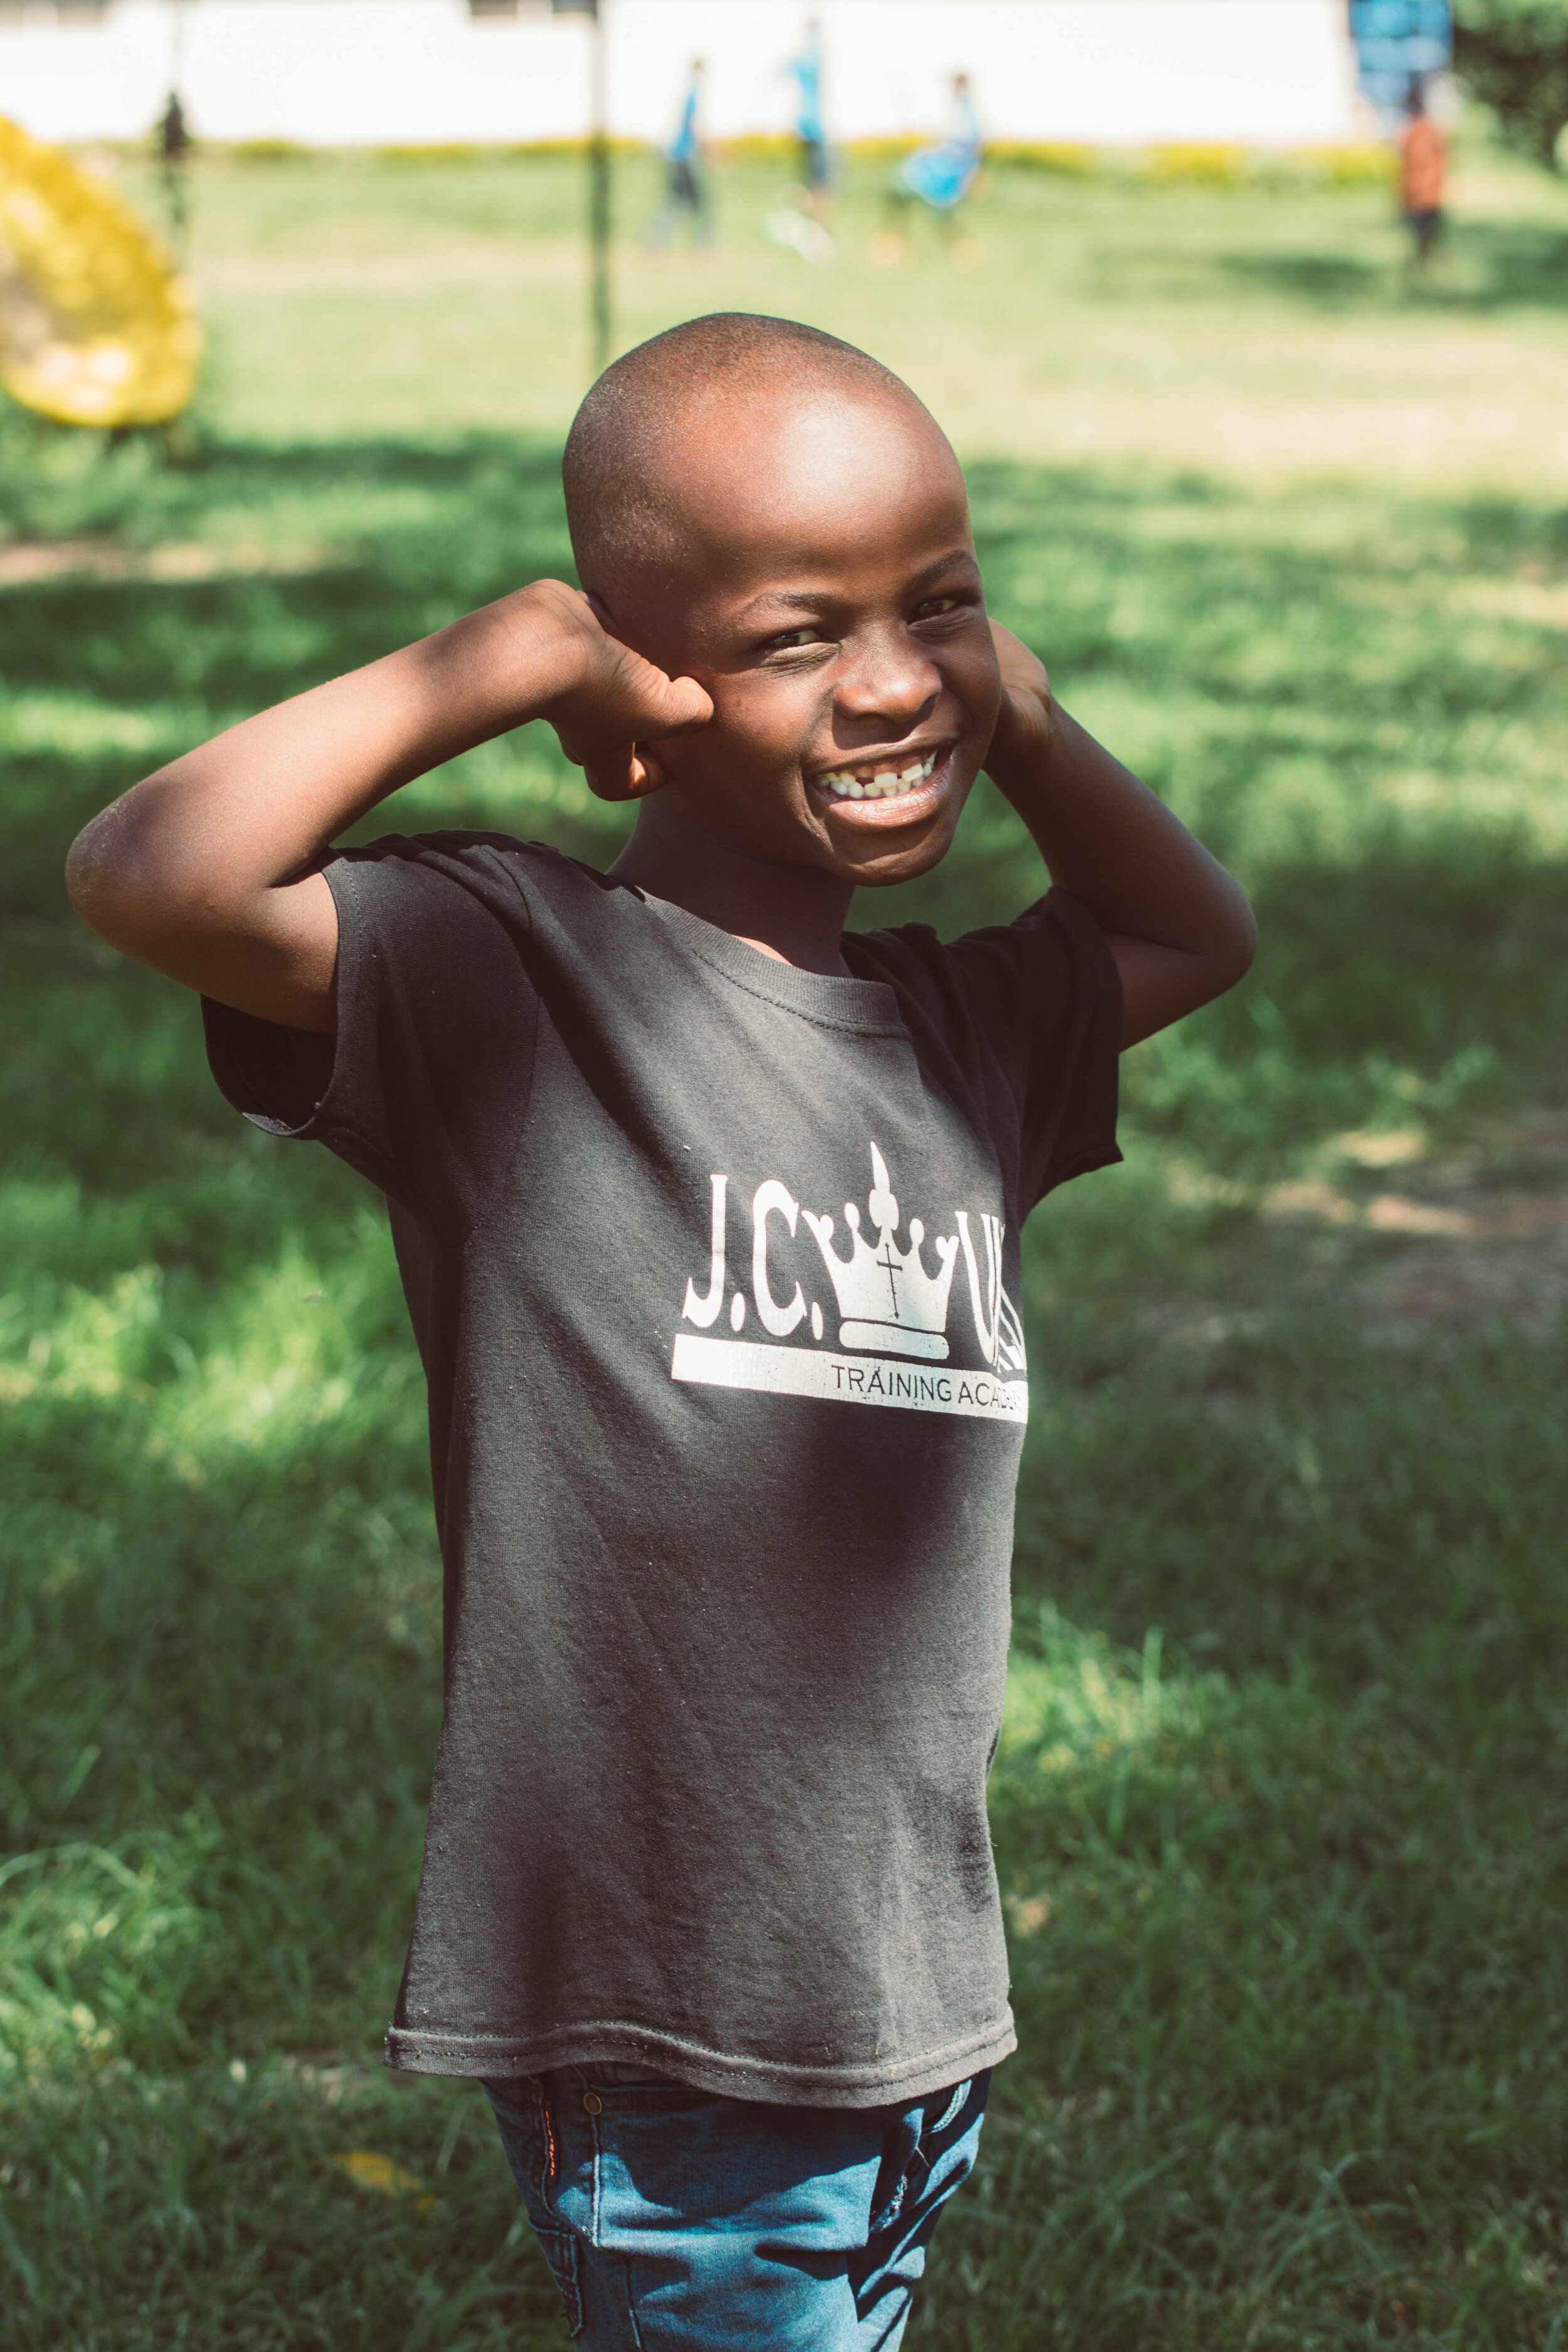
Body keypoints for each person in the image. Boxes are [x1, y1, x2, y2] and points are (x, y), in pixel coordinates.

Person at [65, 312, 1256, 2349]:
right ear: (642, 691)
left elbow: (1192, 930)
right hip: (675, 2022)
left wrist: (1031, 716)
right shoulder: (511, 983)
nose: (894, 681)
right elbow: (153, 870)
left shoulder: (969, 1030)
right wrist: (503, 659)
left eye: (937, 605)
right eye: (801, 633)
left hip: (903, 1991)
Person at [874, 72, 985, 265]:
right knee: (906, 193)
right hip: (940, 171)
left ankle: (961, 249)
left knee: (935, 210)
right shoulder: (961, 111)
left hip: (945, 175)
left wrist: (970, 177)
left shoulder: (965, 115)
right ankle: (895, 242)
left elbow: (969, 150)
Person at [647, 56, 712, 249]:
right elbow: (694, 127)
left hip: (679, 156)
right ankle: (701, 244)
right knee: (690, 203)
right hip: (684, 157)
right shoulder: (693, 95)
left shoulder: (688, 94)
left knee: (680, 202)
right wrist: (709, 150)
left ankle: (658, 241)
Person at [783, 17, 831, 214]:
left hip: (803, 123)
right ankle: (813, 214)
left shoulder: (802, 56)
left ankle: (808, 211)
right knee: (821, 178)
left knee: (811, 175)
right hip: (814, 125)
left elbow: (783, 71)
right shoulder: (815, 52)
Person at [1400, 80, 1446, 276]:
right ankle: (1423, 272)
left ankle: (1426, 271)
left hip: (1424, 196)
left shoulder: (1421, 131)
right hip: (1421, 195)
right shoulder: (1419, 131)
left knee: (1426, 239)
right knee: (1422, 240)